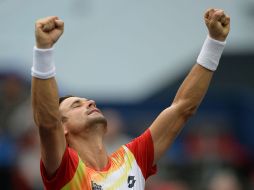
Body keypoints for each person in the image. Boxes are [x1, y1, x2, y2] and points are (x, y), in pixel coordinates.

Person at [31, 8, 230, 190]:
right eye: (76, 105)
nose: (89, 102)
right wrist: (43, 51)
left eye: (86, 100)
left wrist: (215, 43)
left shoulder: (132, 160)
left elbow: (182, 108)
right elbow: (48, 123)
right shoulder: (65, 170)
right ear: (62, 128)